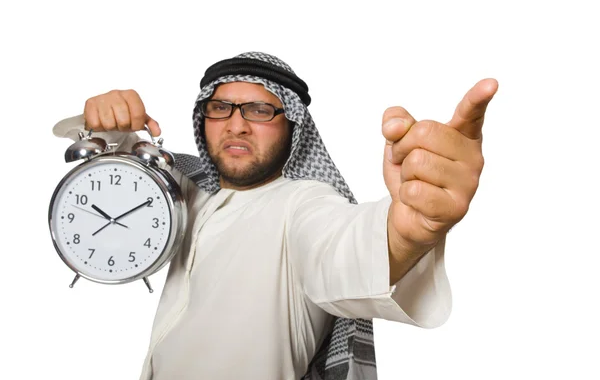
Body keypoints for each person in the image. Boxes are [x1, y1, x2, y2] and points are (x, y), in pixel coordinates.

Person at [52, 52, 498, 380]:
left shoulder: (303, 205)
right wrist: (109, 121)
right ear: (203, 119)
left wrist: (410, 232)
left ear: (293, 128)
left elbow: (343, 248)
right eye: (221, 107)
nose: (237, 124)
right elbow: (117, 169)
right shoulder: (184, 192)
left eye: (260, 110)